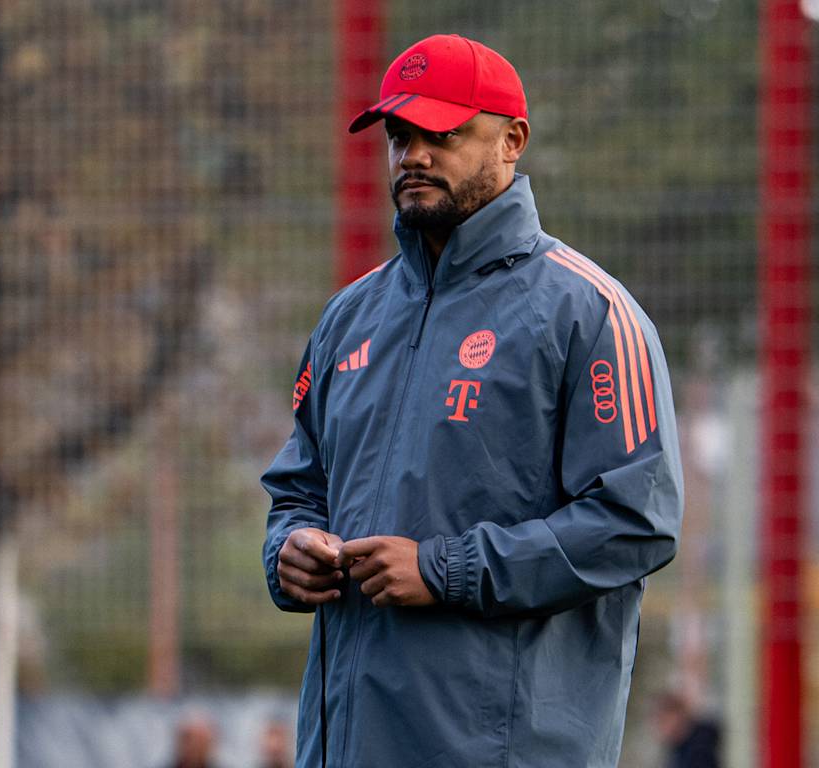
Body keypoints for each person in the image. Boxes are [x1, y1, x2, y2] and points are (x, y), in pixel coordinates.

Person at [262, 33, 683, 768]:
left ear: (512, 140)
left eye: (442, 133)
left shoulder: (589, 314)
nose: (413, 155)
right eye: (399, 135)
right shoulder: (347, 319)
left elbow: (635, 522)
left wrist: (443, 569)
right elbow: (298, 491)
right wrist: (287, 552)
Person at [652, 689, 721, 768]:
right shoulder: (677, 753)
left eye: (663, 721)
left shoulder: (701, 741)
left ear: (677, 714)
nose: (661, 729)